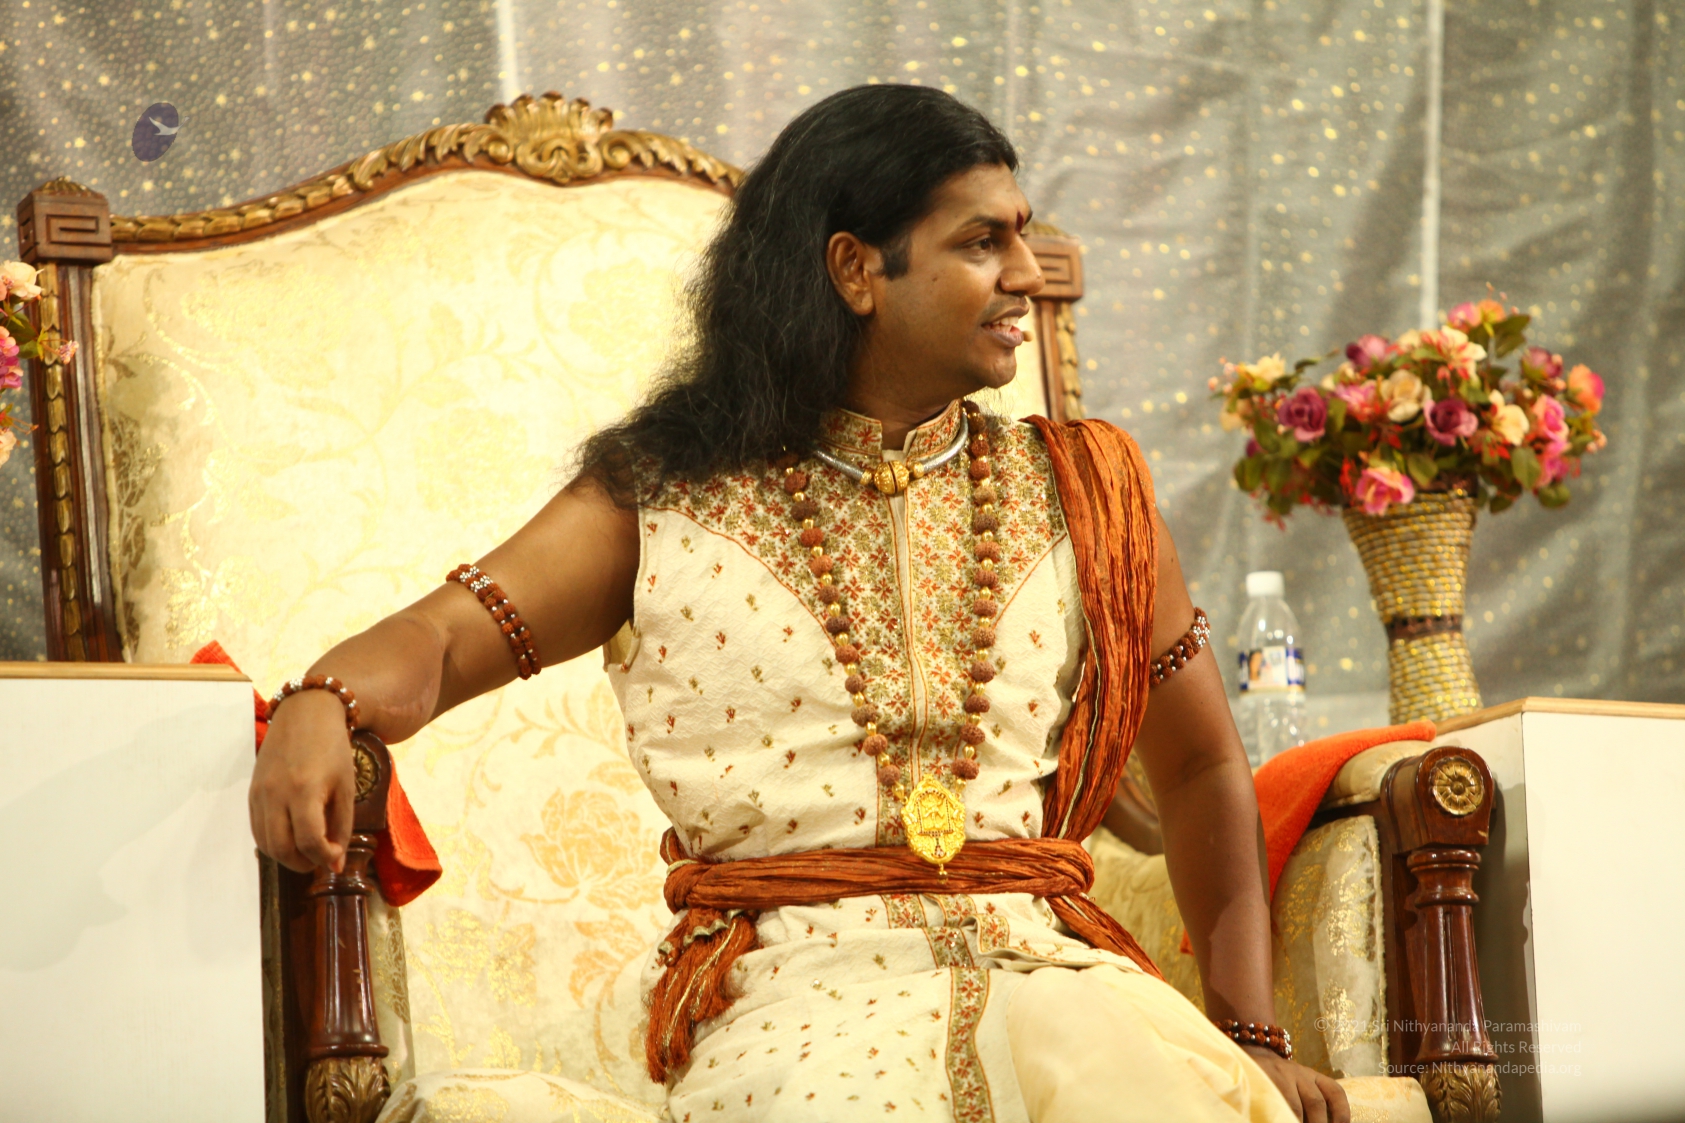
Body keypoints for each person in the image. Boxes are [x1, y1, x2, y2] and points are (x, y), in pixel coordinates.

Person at [250, 84, 1349, 1123]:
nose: (1028, 271)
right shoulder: (662, 495)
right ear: (855, 269)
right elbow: (445, 638)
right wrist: (324, 698)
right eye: (982, 241)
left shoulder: (1087, 493)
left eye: (1021, 233)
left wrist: (1249, 1032)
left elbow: (1198, 767)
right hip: (796, 998)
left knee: (1108, 1054)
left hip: (1047, 967)